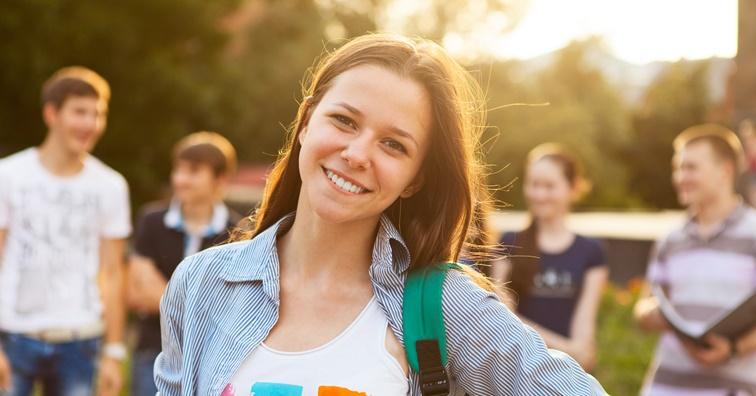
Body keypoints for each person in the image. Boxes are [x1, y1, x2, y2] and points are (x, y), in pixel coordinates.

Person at [153, 34, 607, 395]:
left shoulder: (444, 305)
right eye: (345, 121)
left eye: (394, 144)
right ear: (307, 122)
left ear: (414, 178)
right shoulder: (200, 284)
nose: (356, 153)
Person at [0, 66, 130, 395]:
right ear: (51, 113)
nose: (90, 124)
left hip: (80, 342)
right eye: (80, 112)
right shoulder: (9, 176)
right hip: (14, 336)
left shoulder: (111, 186)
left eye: (98, 114)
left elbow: (113, 273)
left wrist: (113, 353)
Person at [633, 124, 756, 395]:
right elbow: (643, 307)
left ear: (724, 171)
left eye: (690, 168)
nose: (680, 177)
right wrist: (653, 315)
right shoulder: (670, 238)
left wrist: (734, 349)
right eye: (678, 168)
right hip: (664, 388)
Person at [126, 131, 240, 395]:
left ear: (220, 179)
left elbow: (233, 304)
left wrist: (163, 296)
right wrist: (205, 308)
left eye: (193, 171)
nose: (180, 179)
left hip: (210, 357)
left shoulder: (240, 232)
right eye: (178, 170)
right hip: (154, 350)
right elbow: (137, 293)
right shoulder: (151, 221)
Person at [491, 143, 609, 372]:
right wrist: (566, 349)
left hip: (565, 379)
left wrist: (524, 327)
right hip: (516, 374)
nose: (539, 194)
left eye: (549, 186)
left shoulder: (592, 252)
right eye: (534, 185)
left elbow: (585, 350)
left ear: (573, 189)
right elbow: (501, 320)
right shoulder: (509, 243)